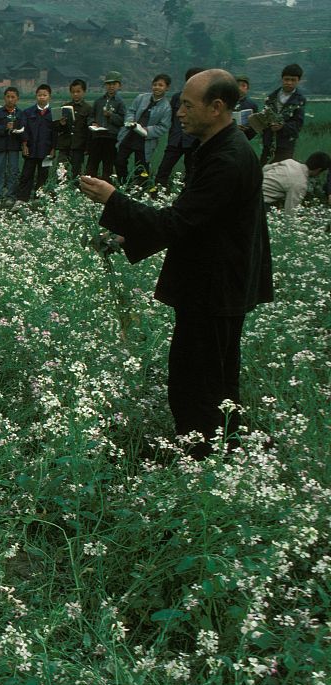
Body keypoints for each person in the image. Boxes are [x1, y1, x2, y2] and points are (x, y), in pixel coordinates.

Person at [79, 69, 273, 459]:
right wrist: (127, 236)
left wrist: (114, 201)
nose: (179, 113)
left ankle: (201, 456)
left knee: (196, 380)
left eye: (187, 104)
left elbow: (177, 223)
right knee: (215, 377)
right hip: (218, 283)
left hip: (214, 287)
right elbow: (195, 220)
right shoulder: (221, 148)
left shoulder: (228, 159)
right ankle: (228, 447)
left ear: (216, 107)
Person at [114, 74, 172, 186]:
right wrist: (130, 121)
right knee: (119, 161)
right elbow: (131, 111)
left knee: (141, 167)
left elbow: (163, 127)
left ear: (167, 88)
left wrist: (147, 130)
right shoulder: (141, 98)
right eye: (155, 84)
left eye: (161, 85)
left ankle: (140, 189)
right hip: (130, 134)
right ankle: (124, 184)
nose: (157, 87)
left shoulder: (166, 107)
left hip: (145, 140)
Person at [155, 68, 203, 191]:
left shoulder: (204, 99)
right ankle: (158, 195)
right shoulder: (177, 97)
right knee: (163, 170)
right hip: (176, 140)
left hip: (193, 141)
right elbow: (170, 117)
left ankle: (187, 195)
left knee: (191, 171)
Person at [15, 84, 56, 201]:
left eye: (44, 95)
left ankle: (39, 199)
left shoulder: (54, 113)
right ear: (36, 96)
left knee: (43, 175)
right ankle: (22, 199)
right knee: (26, 174)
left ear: (49, 97)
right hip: (31, 149)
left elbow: (55, 132)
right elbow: (23, 129)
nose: (42, 97)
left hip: (46, 150)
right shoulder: (28, 112)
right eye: (39, 95)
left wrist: (53, 148)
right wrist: (24, 144)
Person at [260, 63, 306, 165]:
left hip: (286, 144)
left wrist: (283, 126)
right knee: (264, 168)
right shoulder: (271, 97)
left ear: (298, 81)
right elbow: (264, 117)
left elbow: (298, 124)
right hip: (269, 142)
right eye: (286, 79)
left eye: (293, 80)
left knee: (283, 170)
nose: (289, 83)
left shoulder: (299, 100)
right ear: (282, 79)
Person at [87, 71, 125, 181]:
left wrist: (111, 115)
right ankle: (89, 188)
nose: (111, 86)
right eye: (108, 84)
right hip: (97, 137)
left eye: (114, 84)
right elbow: (91, 116)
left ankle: (105, 189)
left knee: (108, 166)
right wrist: (92, 123)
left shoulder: (120, 102)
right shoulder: (99, 101)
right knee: (92, 165)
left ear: (119, 85)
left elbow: (123, 120)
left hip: (111, 138)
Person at [261, 151, 329, 211]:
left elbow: (265, 168)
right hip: (261, 201)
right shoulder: (300, 184)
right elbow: (291, 211)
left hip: (255, 187)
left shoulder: (290, 162)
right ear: (318, 170)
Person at [56, 79, 92, 181]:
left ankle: (76, 189)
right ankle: (61, 189)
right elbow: (57, 128)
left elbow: (89, 130)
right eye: (73, 92)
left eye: (78, 91)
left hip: (79, 145)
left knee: (77, 172)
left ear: (84, 92)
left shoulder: (88, 108)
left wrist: (87, 147)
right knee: (61, 171)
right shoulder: (65, 107)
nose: (75, 94)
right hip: (65, 144)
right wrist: (61, 124)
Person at [234, 75, 258, 141]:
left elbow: (255, 128)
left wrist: (247, 130)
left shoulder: (252, 105)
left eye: (243, 86)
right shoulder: (226, 103)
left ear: (247, 88)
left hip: (243, 139)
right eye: (237, 85)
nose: (240, 88)